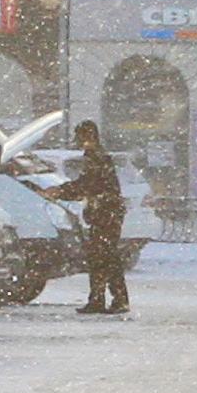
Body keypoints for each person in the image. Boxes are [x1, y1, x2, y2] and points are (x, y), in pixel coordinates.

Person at [54, 119, 130, 317]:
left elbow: (88, 185)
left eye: (81, 137)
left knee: (104, 257)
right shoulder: (96, 156)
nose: (79, 142)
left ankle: (110, 299)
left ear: (89, 137)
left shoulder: (97, 157)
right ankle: (103, 298)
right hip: (105, 214)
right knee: (103, 257)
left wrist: (61, 191)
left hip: (106, 214)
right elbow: (88, 185)